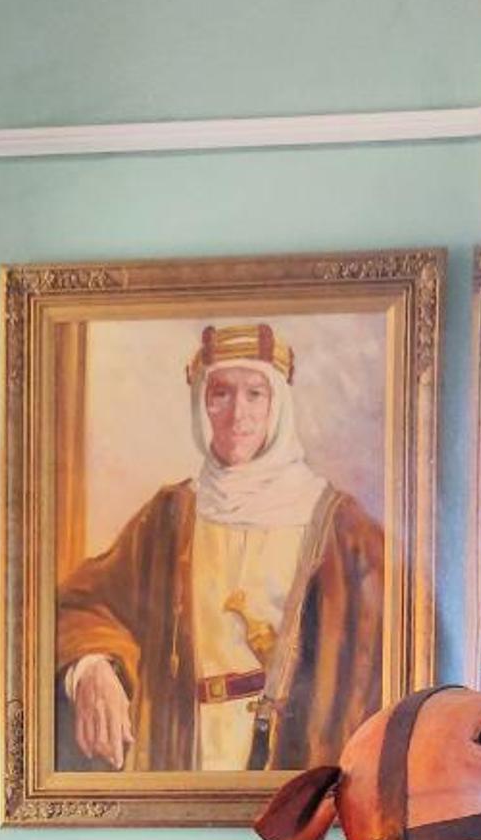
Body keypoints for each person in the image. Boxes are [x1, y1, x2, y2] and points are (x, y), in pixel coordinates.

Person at [56, 321, 406, 776]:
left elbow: (400, 639)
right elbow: (82, 605)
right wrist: (91, 666)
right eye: (220, 393)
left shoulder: (340, 526)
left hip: (294, 764)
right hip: (184, 753)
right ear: (201, 404)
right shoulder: (169, 517)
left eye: (255, 394)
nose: (238, 414)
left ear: (277, 405)